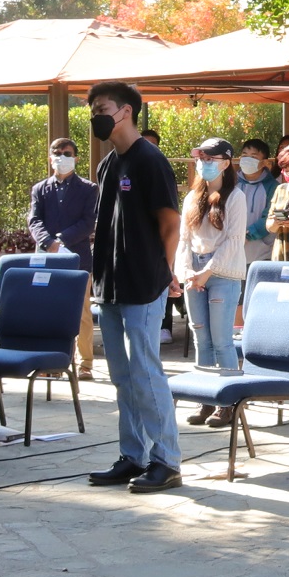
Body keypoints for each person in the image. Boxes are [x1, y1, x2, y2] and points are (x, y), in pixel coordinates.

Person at [87, 83, 185, 492]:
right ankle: (133, 455)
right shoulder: (107, 165)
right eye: (93, 109)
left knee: (145, 372)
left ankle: (166, 461)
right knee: (122, 377)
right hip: (110, 285)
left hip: (144, 284)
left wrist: (164, 270)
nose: (96, 116)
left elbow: (170, 223)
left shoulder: (150, 160)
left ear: (126, 111)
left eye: (102, 108)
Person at [175, 137, 250, 427]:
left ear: (225, 163)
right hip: (194, 272)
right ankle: (205, 399)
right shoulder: (191, 198)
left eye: (210, 159)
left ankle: (227, 404)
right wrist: (185, 272)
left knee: (221, 341)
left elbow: (234, 240)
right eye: (201, 159)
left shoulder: (235, 196)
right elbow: (184, 240)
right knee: (201, 340)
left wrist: (207, 271)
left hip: (223, 273)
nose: (203, 164)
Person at [26, 134, 99, 377]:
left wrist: (62, 240)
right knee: (48, 311)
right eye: (57, 154)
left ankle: (85, 363)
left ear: (76, 158)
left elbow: (88, 221)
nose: (62, 158)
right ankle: (53, 364)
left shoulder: (89, 189)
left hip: (77, 258)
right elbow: (34, 220)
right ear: (50, 158)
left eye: (67, 154)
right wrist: (48, 242)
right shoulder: (40, 189)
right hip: (46, 258)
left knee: (81, 313)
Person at [235, 137, 276, 269]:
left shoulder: (273, 186)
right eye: (244, 155)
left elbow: (270, 216)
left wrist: (248, 235)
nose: (247, 159)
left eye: (253, 156)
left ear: (264, 162)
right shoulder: (231, 184)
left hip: (261, 256)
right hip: (232, 256)